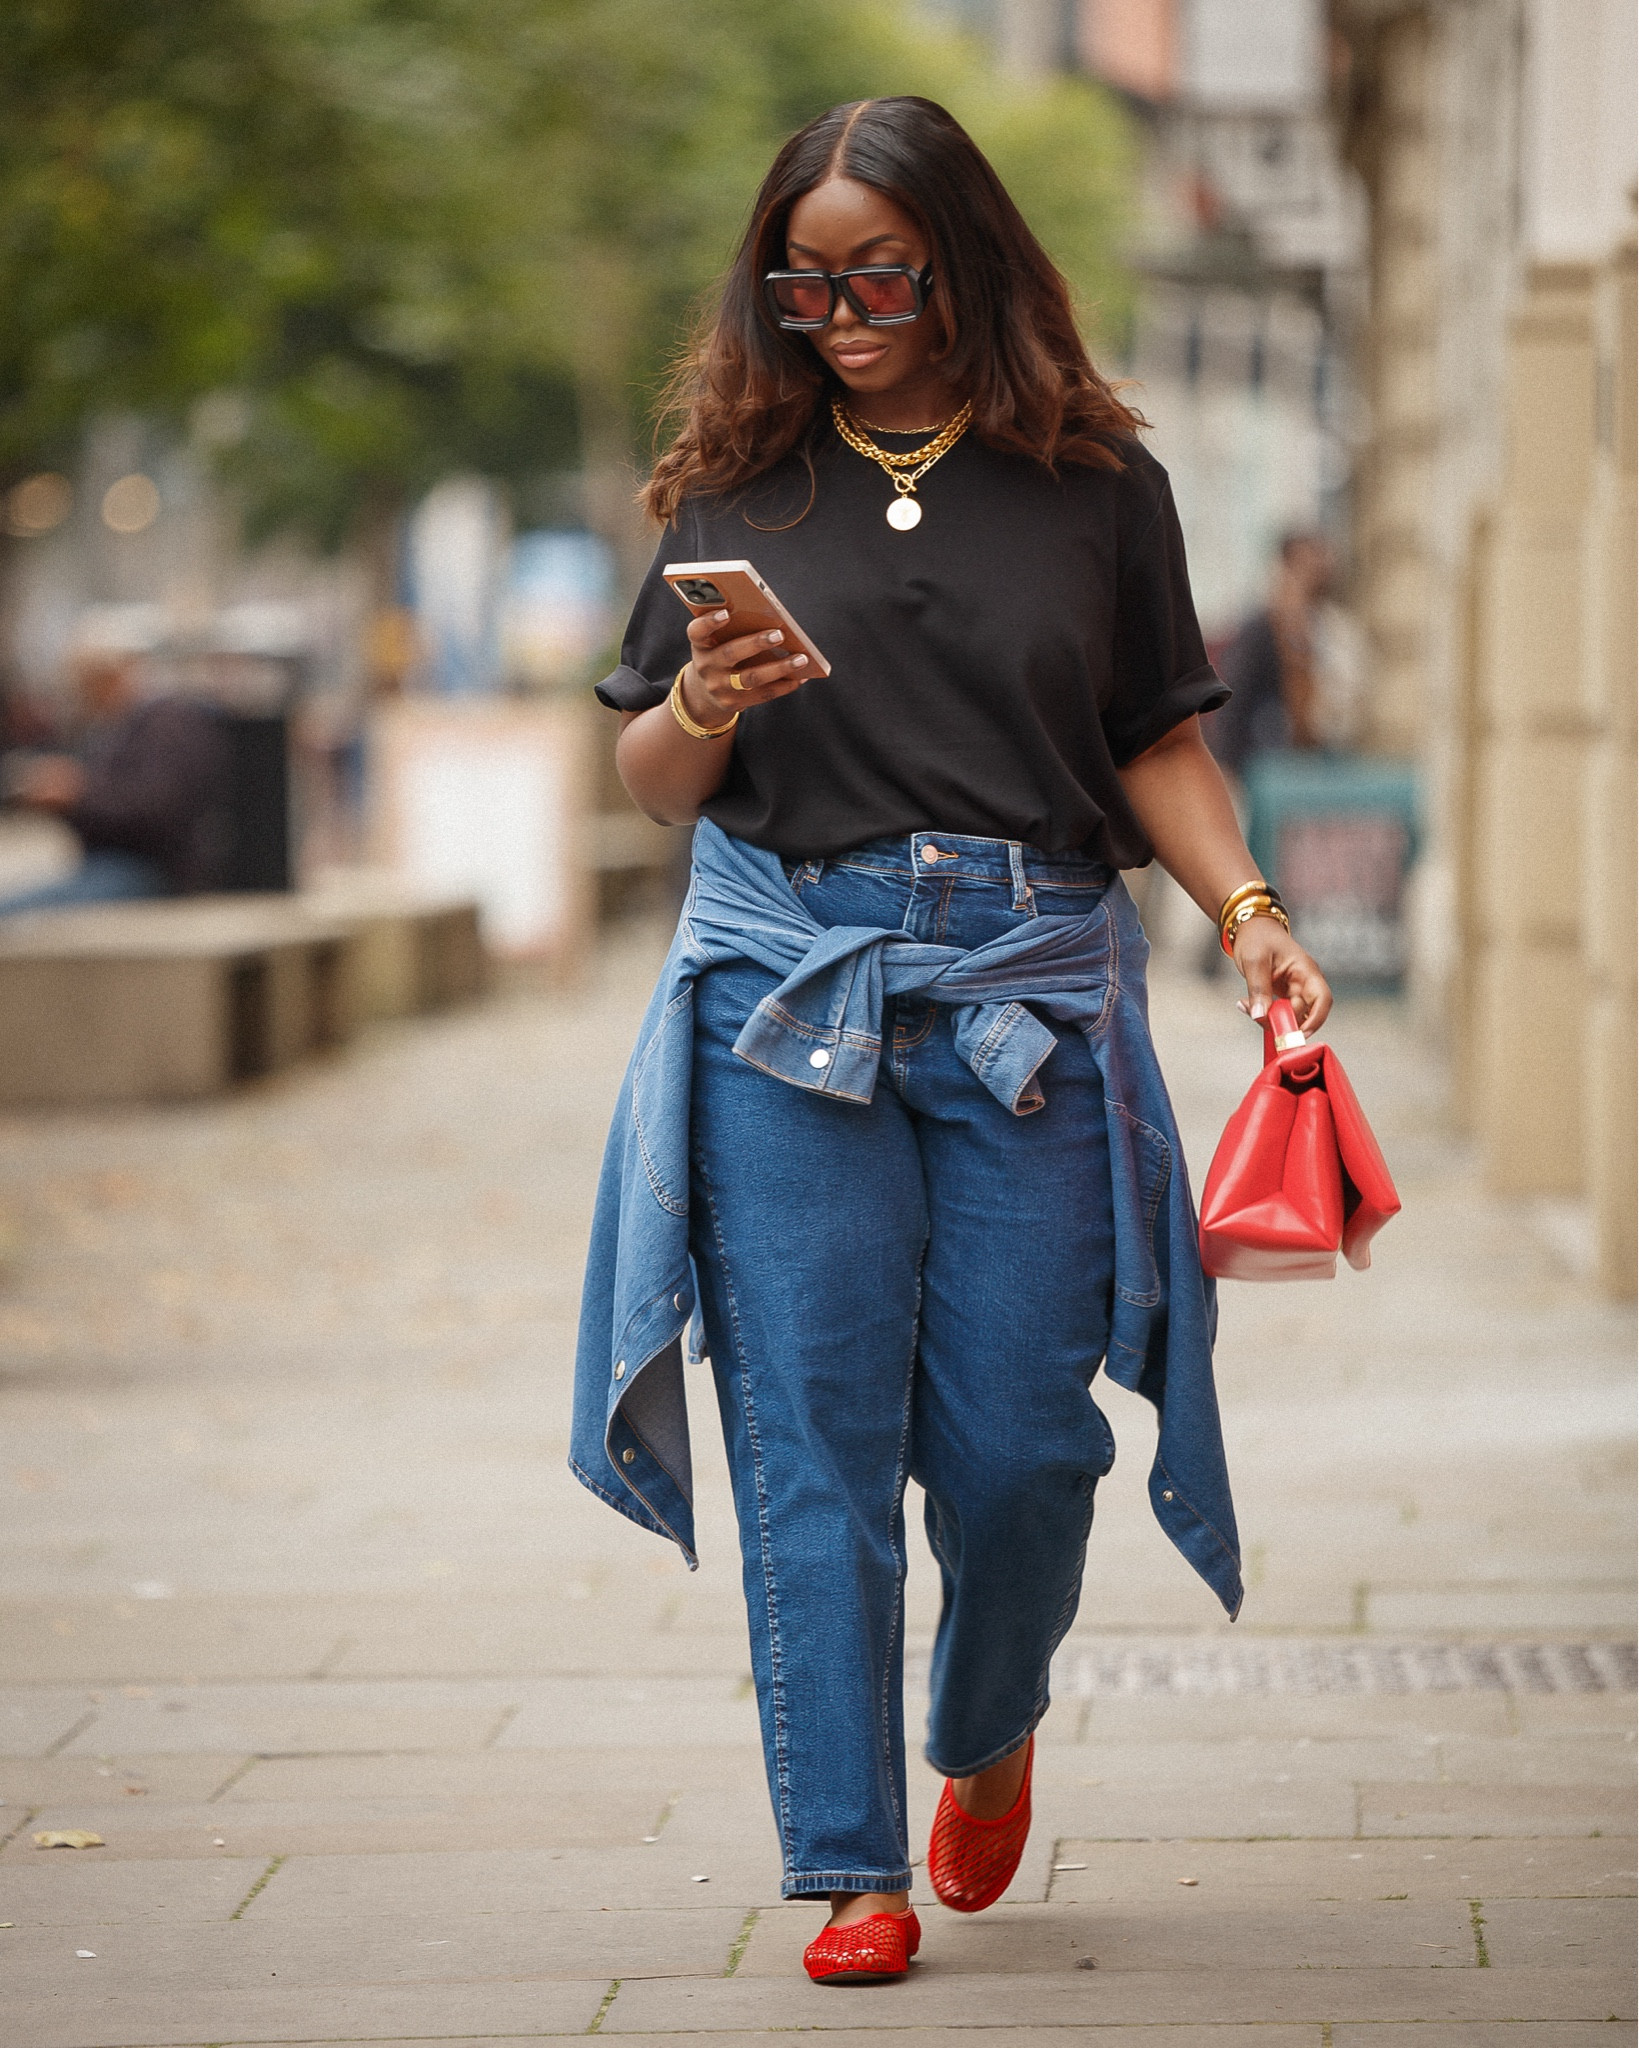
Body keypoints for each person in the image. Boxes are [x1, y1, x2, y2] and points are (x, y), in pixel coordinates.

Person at [570, 96, 1331, 1987]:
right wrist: (701, 699)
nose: (837, 316)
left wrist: (1247, 911)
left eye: (878, 277)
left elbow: (1156, 737)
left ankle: (986, 1724)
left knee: (1018, 1449)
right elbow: (651, 781)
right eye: (801, 282)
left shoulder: (1095, 483)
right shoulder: (732, 486)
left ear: (963, 262)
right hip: (785, 998)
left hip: (1023, 1002)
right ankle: (848, 1865)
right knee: (810, 1439)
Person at [0, 654, 232, 914]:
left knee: (12, 913)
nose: (82, 696)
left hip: (150, 870)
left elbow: (156, 807)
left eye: (86, 684)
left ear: (110, 675)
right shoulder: (119, 726)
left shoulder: (168, 720)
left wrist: (76, 792)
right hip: (113, 864)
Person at [1204, 529, 1337, 778]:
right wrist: (1228, 767)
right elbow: (1234, 701)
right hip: (1261, 764)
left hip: (1303, 764)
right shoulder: (1260, 630)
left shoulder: (1324, 628)